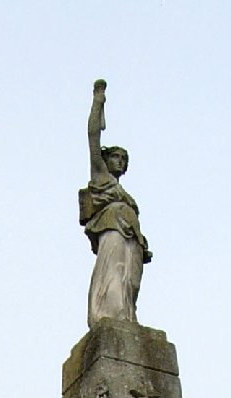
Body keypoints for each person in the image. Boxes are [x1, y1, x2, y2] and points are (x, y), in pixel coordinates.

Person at [80, 79, 151, 327]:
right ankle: (107, 317)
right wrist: (98, 101)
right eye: (116, 157)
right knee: (112, 275)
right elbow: (92, 136)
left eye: (124, 159)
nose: (120, 161)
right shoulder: (101, 177)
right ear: (106, 159)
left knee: (129, 282)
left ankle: (127, 318)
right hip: (112, 232)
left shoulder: (124, 193)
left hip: (132, 238)